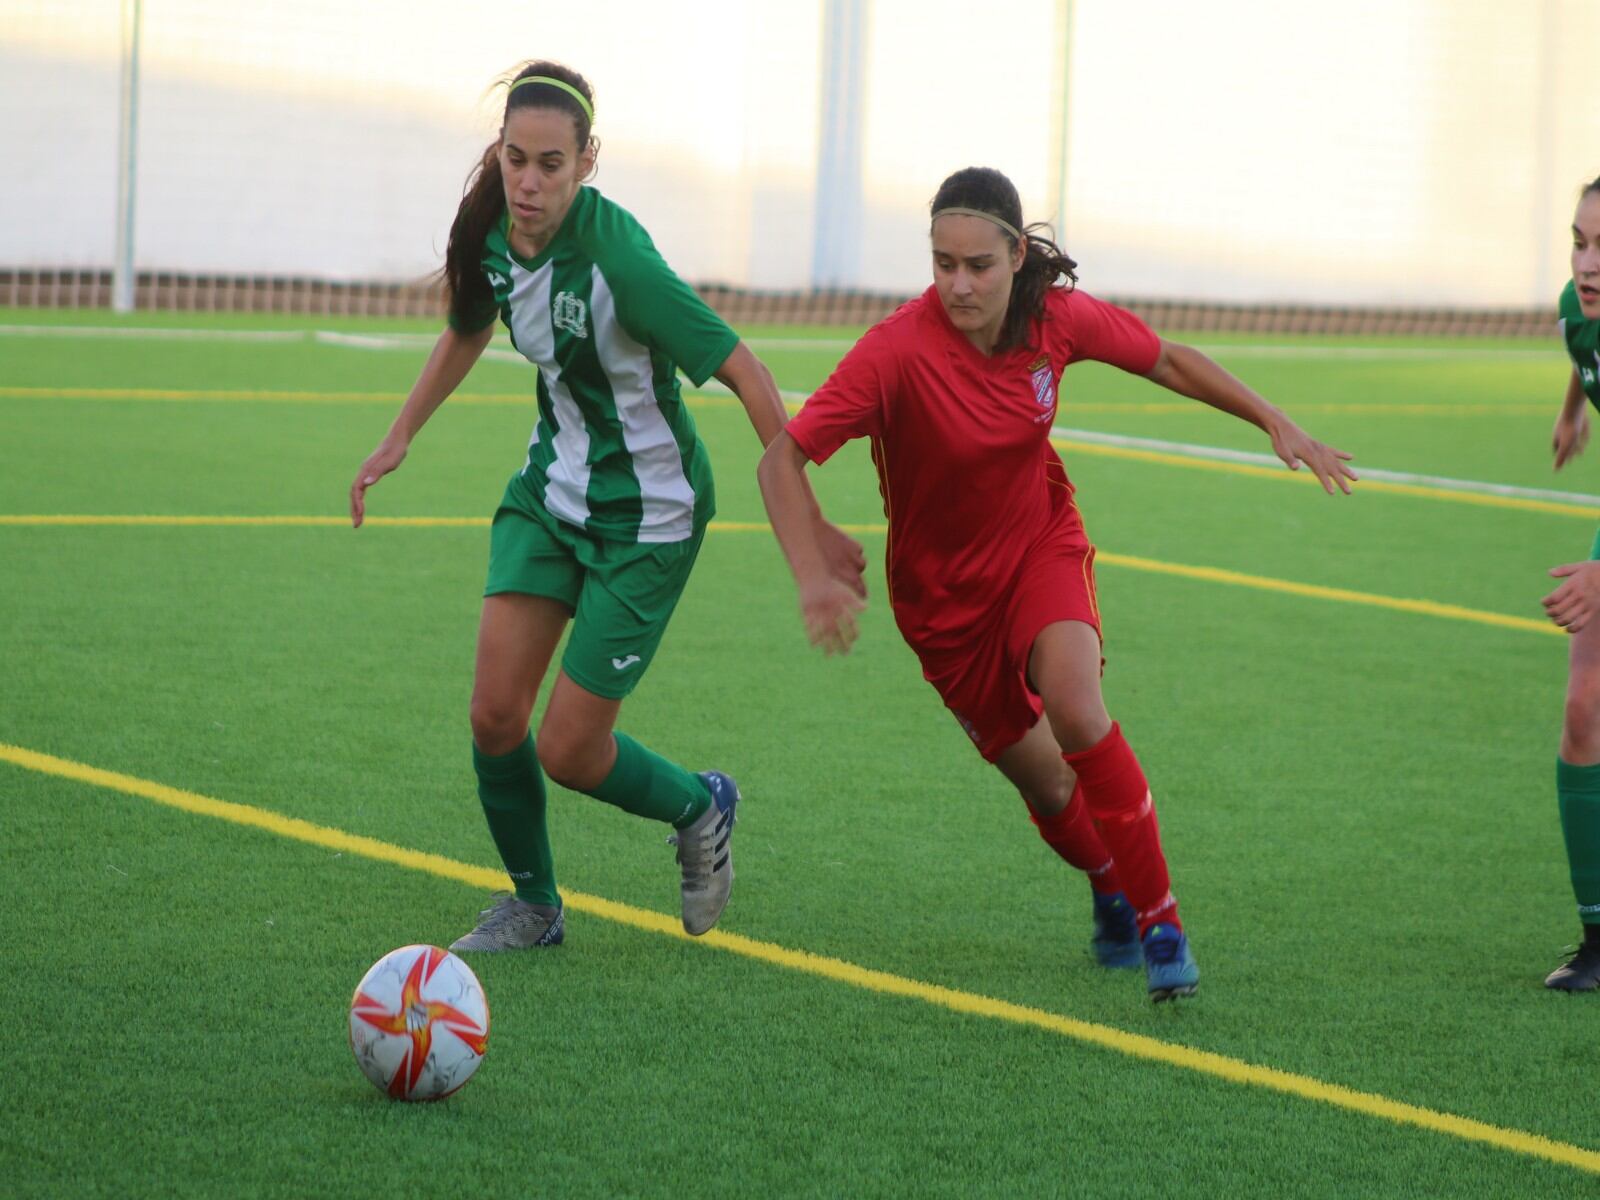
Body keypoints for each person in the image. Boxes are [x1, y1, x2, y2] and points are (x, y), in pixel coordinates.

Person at [757, 166, 1356, 1001]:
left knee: (1077, 708)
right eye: (942, 264)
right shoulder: (895, 352)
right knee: (1051, 785)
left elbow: (1170, 360)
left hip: (1040, 545)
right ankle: (1110, 884)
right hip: (942, 607)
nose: (959, 284)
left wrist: (1274, 419)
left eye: (979, 266)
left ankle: (1162, 923)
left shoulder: (1056, 319)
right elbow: (781, 456)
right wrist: (810, 569)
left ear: (1016, 255)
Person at [349, 61, 865, 950]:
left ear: (588, 161)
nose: (529, 181)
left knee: (570, 751)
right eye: (516, 158)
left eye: (552, 163)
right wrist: (400, 436)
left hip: (649, 517)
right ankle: (535, 907)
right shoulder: (489, 225)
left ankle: (701, 807)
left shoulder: (621, 259)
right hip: (551, 492)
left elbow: (747, 372)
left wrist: (809, 536)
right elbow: (471, 324)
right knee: (493, 714)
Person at [1539, 174, 1600, 990]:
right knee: (1584, 709)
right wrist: (1574, 407)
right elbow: (1584, 346)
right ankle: (1598, 938)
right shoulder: (1576, 307)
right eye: (1581, 241)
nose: (1589, 262)